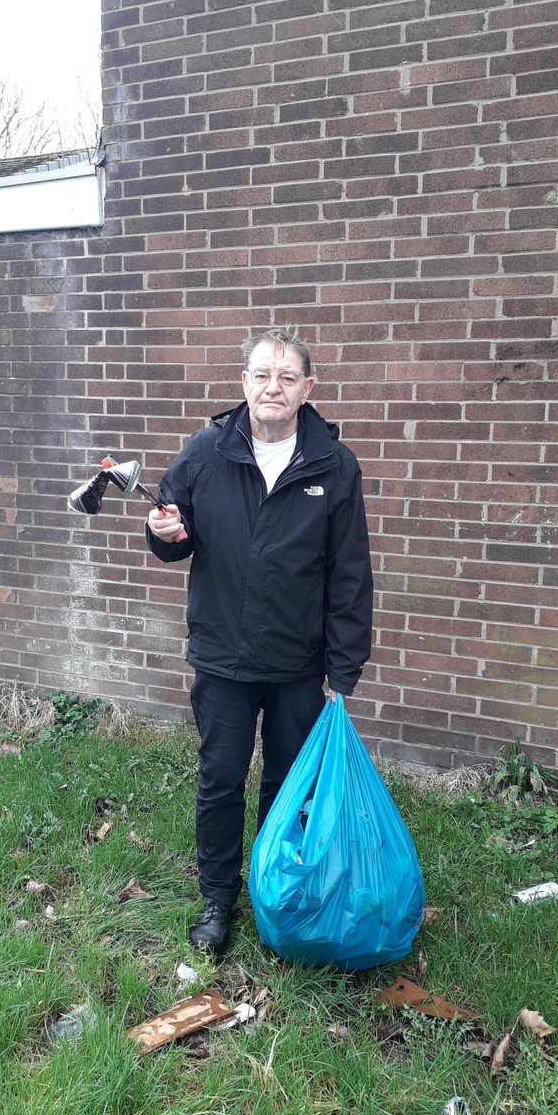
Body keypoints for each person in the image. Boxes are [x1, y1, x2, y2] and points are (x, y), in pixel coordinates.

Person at [145, 325, 374, 955]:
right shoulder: (206, 452)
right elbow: (174, 531)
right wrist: (163, 531)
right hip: (221, 656)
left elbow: (349, 572)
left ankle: (275, 892)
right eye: (262, 375)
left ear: (307, 388)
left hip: (298, 663)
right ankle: (218, 898)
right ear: (244, 383)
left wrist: (343, 667)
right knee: (220, 778)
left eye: (287, 376)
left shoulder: (333, 465)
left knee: (284, 783)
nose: (273, 386)